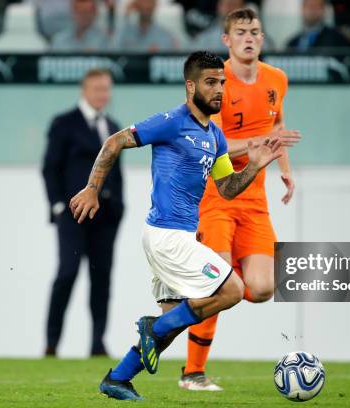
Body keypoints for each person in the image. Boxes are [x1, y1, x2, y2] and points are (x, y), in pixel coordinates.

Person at [69, 51, 283, 401]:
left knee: (174, 321)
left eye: (222, 83)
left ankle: (118, 378)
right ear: (191, 85)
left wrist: (255, 166)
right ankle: (154, 328)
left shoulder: (216, 136)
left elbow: (227, 188)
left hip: (174, 237)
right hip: (166, 235)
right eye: (211, 82)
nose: (219, 90)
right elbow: (115, 141)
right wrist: (93, 188)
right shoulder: (171, 121)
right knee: (230, 290)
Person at [181, 8, 301, 391]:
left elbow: (276, 126)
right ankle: (192, 373)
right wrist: (256, 144)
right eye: (241, 32)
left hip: (255, 199)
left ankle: (203, 296)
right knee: (218, 283)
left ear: (262, 39)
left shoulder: (276, 79)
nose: (249, 37)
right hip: (217, 196)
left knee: (262, 289)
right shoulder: (215, 81)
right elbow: (214, 146)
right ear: (226, 40)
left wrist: (284, 168)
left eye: (254, 32)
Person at [42, 69, 124, 357]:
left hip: (106, 218)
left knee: (102, 279)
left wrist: (119, 207)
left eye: (107, 89)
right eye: (97, 88)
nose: (103, 94)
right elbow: (50, 167)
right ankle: (52, 343)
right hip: (73, 216)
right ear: (84, 90)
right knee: (67, 274)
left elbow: (116, 174)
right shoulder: (64, 124)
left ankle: (97, 343)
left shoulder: (113, 126)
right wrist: (58, 205)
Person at [112, 0, 179, 52]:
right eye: (143, 1)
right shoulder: (127, 30)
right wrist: (126, 16)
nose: (146, 6)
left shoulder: (165, 35)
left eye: (149, 1)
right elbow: (113, 50)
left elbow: (168, 59)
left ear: (155, 5)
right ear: (136, 5)